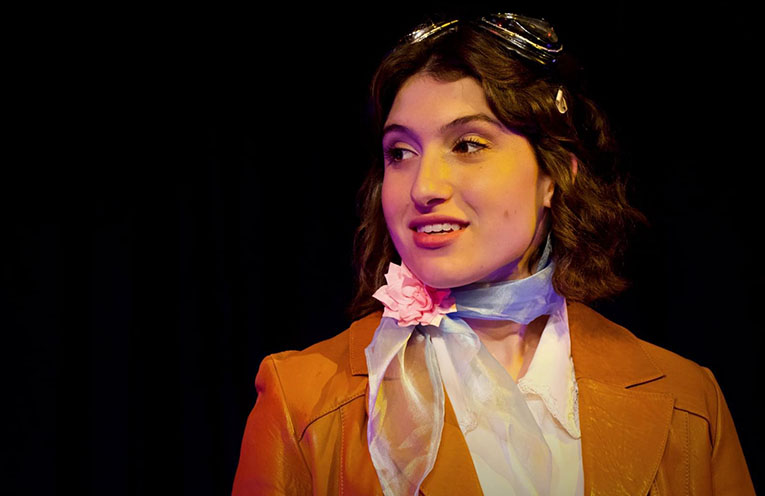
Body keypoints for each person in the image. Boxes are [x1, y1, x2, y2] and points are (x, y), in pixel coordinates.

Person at [232, 12, 754, 495]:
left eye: (467, 145)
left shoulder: (690, 400)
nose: (423, 187)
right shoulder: (302, 401)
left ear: (555, 174)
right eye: (400, 152)